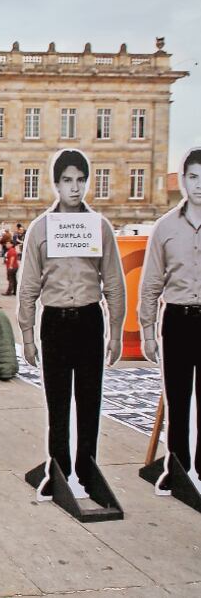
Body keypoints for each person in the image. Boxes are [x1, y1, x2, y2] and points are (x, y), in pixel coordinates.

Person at [18, 148, 125, 495]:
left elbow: (113, 282)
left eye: (80, 180)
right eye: (67, 180)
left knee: (90, 399)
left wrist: (116, 333)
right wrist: (28, 335)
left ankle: (87, 468)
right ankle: (60, 469)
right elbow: (28, 286)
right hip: (55, 323)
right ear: (56, 184)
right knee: (58, 401)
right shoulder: (41, 229)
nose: (75, 188)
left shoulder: (100, 227)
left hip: (89, 320)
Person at [140, 147, 201, 483]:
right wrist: (148, 331)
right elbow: (150, 283)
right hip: (177, 319)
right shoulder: (165, 227)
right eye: (193, 177)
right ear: (184, 179)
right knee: (178, 399)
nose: (199, 185)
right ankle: (177, 467)